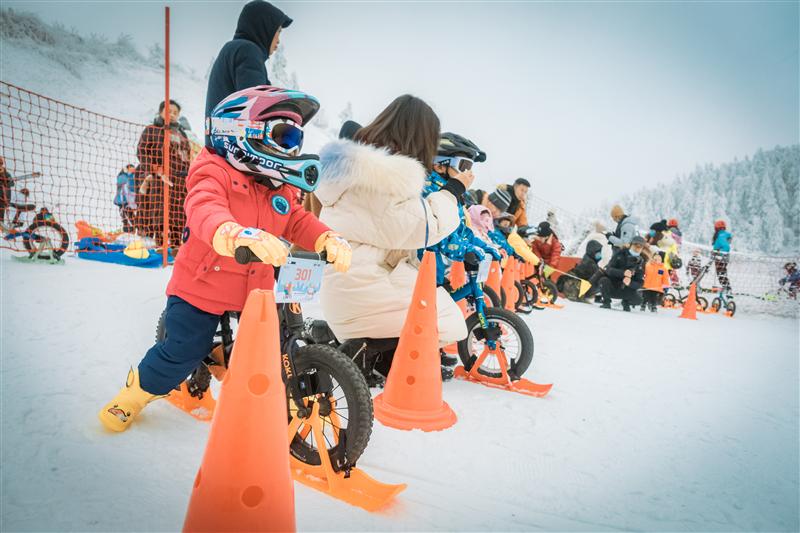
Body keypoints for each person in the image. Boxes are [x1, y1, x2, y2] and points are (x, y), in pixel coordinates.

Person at [98, 86, 352, 432]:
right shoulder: (213, 170)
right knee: (184, 348)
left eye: (296, 138)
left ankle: (274, 398)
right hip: (203, 284)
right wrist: (233, 233)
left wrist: (325, 236)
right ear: (239, 131)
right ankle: (138, 390)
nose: (292, 148)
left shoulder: (278, 185)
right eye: (284, 134)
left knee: (272, 344)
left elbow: (295, 219)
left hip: (256, 287)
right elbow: (204, 207)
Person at [313, 95, 470, 377]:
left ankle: (378, 355)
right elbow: (424, 227)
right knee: (450, 323)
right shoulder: (378, 178)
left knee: (438, 310)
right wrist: (453, 191)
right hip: (361, 290)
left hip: (351, 285)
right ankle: (369, 354)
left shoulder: (359, 167)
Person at [205, 0, 292, 146]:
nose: (278, 40)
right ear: (264, 28)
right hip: (235, 154)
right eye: (278, 31)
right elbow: (257, 109)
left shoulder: (234, 49)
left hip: (220, 148)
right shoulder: (248, 51)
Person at [136, 99, 192, 246]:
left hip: (178, 180)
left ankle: (176, 245)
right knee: (159, 210)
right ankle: (159, 243)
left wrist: (187, 173)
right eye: (169, 111)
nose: (172, 115)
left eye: (175, 112)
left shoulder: (182, 134)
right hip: (158, 178)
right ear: (161, 112)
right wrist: (156, 169)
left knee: (178, 212)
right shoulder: (151, 129)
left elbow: (187, 155)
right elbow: (142, 152)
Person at [596, 235, 646, 311]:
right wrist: (623, 273)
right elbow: (608, 269)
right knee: (603, 280)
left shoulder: (641, 263)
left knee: (639, 300)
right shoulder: (619, 254)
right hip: (612, 285)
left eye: (640, 247)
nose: (637, 248)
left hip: (625, 289)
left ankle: (626, 302)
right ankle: (606, 302)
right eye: (635, 245)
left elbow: (640, 282)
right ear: (630, 245)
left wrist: (630, 283)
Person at [113, 164, 137, 233]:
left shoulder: (132, 176)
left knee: (130, 217)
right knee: (125, 218)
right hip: (122, 201)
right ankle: (128, 230)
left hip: (128, 202)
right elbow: (126, 183)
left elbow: (132, 187)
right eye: (131, 168)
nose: (133, 169)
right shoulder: (123, 176)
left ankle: (132, 230)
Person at [712, 220, 732, 291]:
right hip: (721, 257)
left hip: (720, 257)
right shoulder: (723, 235)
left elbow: (726, 247)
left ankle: (727, 288)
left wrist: (720, 254)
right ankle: (726, 287)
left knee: (721, 273)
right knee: (722, 272)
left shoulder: (721, 236)